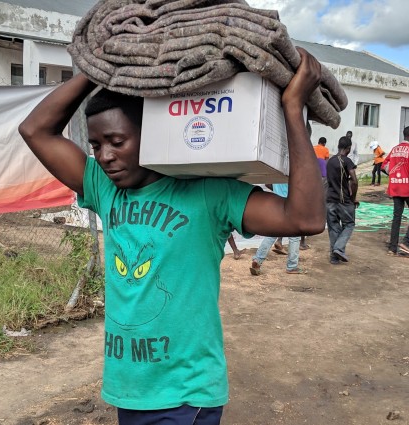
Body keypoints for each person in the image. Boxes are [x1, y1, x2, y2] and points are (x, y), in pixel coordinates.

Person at [18, 47, 325, 424]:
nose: (105, 156)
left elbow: (305, 219)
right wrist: (99, 70)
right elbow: (34, 130)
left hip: (185, 392)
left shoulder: (209, 192)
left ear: (154, 136)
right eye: (96, 146)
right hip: (128, 388)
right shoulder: (103, 188)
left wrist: (293, 109)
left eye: (117, 141)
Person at [382, 126, 409, 256]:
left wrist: (393, 176)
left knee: (397, 217)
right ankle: (406, 242)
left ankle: (392, 248)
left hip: (395, 187)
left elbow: (383, 166)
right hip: (408, 189)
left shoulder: (394, 149)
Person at [250, 184, 305, 275]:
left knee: (272, 234)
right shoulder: (292, 172)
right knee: (294, 237)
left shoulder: (278, 170)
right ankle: (292, 266)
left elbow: (267, 184)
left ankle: (258, 259)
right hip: (290, 204)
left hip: (276, 204)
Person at [326, 136, 358, 264]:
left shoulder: (330, 161)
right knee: (349, 224)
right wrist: (353, 198)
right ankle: (339, 249)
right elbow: (354, 181)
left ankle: (334, 257)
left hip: (330, 199)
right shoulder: (347, 161)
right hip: (343, 200)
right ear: (349, 148)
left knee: (334, 228)